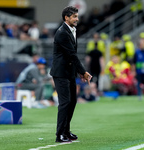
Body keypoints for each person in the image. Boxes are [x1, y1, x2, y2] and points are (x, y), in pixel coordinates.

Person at [50, 6, 92, 143]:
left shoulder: (71, 30)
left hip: (69, 72)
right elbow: (71, 55)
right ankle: (59, 134)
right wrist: (83, 72)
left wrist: (77, 72)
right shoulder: (62, 32)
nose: (77, 19)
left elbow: (71, 57)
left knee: (72, 101)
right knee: (65, 102)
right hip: (61, 73)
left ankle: (66, 131)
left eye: (77, 16)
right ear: (66, 18)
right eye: (74, 16)